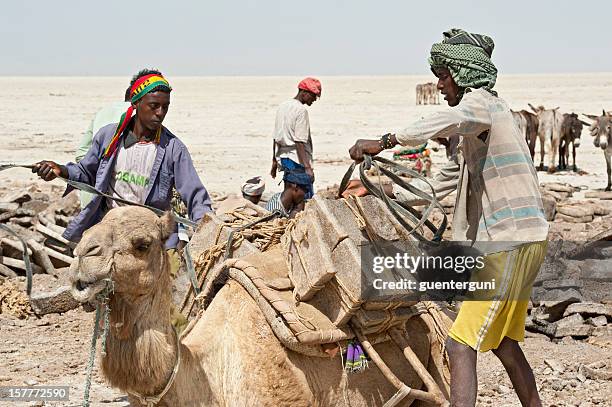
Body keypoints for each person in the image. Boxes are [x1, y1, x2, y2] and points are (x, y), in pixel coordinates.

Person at [348, 29, 549, 407]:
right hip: (526, 239)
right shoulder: (487, 125)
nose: (439, 85)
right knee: (505, 345)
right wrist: (386, 190)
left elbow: (447, 119)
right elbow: (444, 186)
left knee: (459, 344)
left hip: (510, 242)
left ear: (462, 74)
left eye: (443, 75)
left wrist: (385, 140)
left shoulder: (481, 105)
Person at [33, 69, 213, 248]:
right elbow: (86, 172)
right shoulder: (108, 137)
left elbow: (195, 195)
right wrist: (60, 170)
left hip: (151, 237)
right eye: (154, 106)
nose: (160, 113)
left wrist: (207, 230)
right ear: (135, 102)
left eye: (165, 107)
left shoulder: (173, 148)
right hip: (111, 232)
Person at [76, 86, 132, 208]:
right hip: (118, 205)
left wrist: (95, 169)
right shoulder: (141, 117)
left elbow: (81, 153)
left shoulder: (103, 111)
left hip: (89, 198)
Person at [270, 77, 321, 205]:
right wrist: (307, 168)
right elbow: (299, 142)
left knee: (289, 194)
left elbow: (276, 137)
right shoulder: (301, 111)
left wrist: (274, 161)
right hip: (297, 160)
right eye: (313, 96)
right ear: (304, 92)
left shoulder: (283, 106)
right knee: (301, 202)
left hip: (284, 158)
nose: (314, 100)